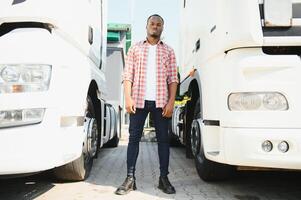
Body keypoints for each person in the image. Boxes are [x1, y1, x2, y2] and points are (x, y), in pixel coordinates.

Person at [115, 14, 178, 195]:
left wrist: (171, 102)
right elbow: (128, 76)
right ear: (147, 26)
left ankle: (163, 178)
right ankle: (130, 178)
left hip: (161, 103)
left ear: (162, 28)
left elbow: (173, 79)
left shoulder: (169, 51)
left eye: (159, 24)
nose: (155, 26)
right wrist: (128, 98)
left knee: (163, 141)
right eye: (152, 23)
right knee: (134, 139)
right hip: (139, 101)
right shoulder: (135, 49)